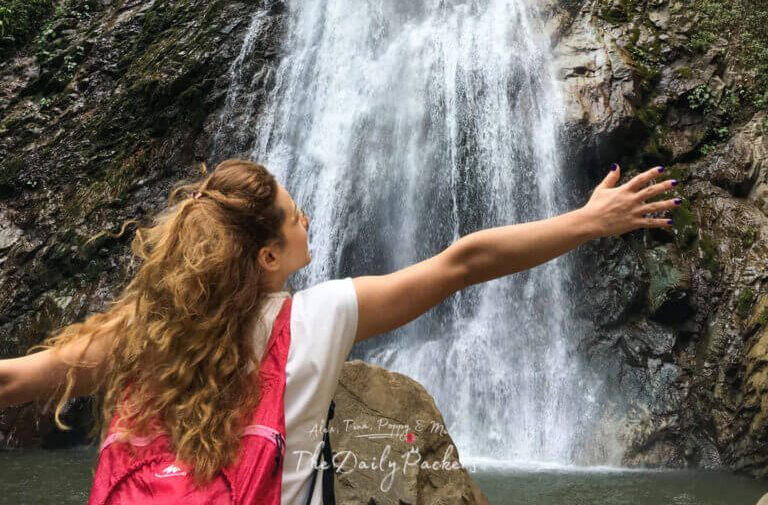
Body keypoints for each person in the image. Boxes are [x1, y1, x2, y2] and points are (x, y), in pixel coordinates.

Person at [0, 157, 681, 503]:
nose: (308, 222)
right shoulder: (317, 320)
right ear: (267, 257)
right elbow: (463, 263)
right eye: (296, 217)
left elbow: (17, 378)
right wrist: (590, 220)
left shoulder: (141, 331)